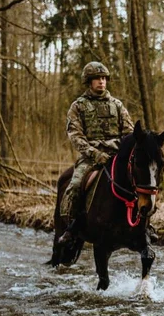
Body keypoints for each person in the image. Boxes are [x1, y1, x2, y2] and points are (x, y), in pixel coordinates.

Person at [57, 61, 134, 245]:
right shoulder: (78, 106)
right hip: (90, 158)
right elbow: (75, 136)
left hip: (116, 155)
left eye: (103, 78)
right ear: (89, 82)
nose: (101, 82)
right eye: (97, 79)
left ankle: (144, 226)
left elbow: (129, 133)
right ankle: (72, 226)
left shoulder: (117, 105)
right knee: (75, 185)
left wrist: (121, 150)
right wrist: (94, 153)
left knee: (138, 181)